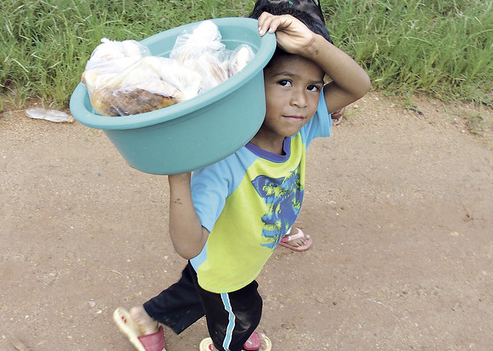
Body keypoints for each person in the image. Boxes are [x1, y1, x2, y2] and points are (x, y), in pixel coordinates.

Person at [113, 1, 371, 350]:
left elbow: (358, 85)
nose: (301, 101)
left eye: (313, 87)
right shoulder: (224, 161)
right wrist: (178, 176)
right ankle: (231, 340)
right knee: (242, 313)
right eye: (284, 82)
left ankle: (145, 319)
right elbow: (188, 245)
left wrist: (312, 44)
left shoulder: (297, 131)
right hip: (228, 268)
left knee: (196, 283)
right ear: (247, 85)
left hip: (234, 253)